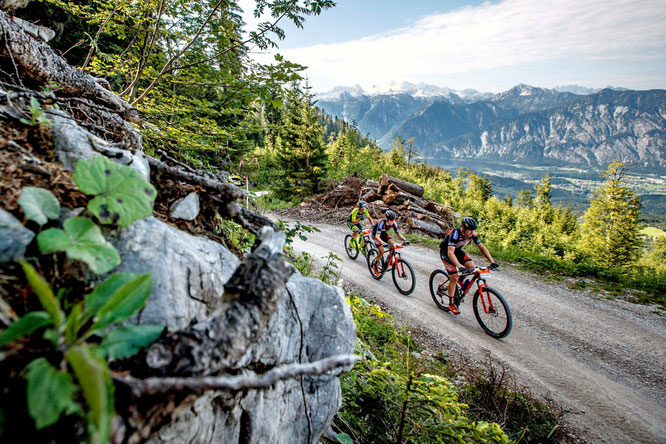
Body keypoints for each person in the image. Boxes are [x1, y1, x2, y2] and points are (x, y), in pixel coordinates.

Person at [439, 217, 499, 314]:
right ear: (463, 228)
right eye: (470, 230)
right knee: (454, 276)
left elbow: (482, 247)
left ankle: (460, 280)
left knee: (471, 267)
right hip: (446, 253)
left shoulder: (472, 235)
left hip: (457, 251)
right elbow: (450, 253)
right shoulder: (455, 234)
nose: (472, 232)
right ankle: (451, 303)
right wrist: (459, 266)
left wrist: (492, 261)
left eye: (473, 230)